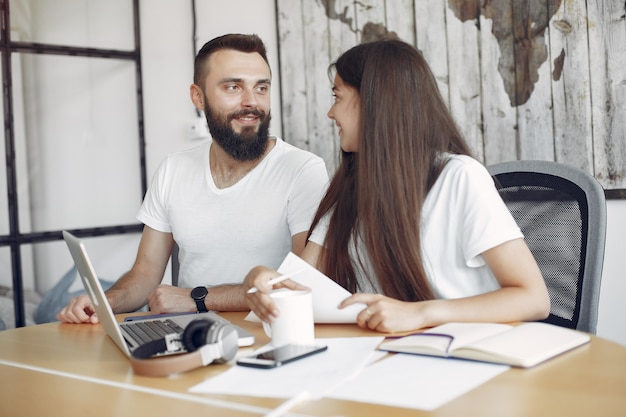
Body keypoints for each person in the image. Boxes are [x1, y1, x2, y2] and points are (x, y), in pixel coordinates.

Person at [244, 39, 550, 333]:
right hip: (393, 359)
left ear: (375, 103)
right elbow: (300, 283)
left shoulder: (459, 177)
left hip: (468, 357)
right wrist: (264, 281)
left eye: (337, 97)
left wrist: (421, 313)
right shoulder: (351, 189)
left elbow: (534, 298)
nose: (331, 113)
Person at [57, 34, 328, 324]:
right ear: (198, 96)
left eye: (261, 87)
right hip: (187, 336)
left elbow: (301, 282)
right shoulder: (174, 170)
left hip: (268, 336)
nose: (251, 102)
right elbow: (146, 273)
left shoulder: (303, 170)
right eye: (233, 87)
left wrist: (196, 298)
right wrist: (103, 303)